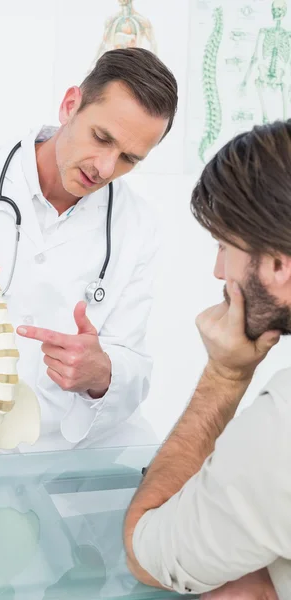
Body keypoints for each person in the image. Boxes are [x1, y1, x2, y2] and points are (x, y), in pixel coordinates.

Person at [0, 48, 178, 453]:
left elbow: (132, 359)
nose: (106, 168)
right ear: (69, 105)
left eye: (129, 158)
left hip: (75, 445)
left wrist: (102, 373)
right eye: (101, 138)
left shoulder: (137, 225)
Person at [124, 119, 291, 600]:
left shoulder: (281, 430)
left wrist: (224, 374)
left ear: (278, 264)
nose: (218, 270)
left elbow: (147, 552)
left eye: (225, 247)